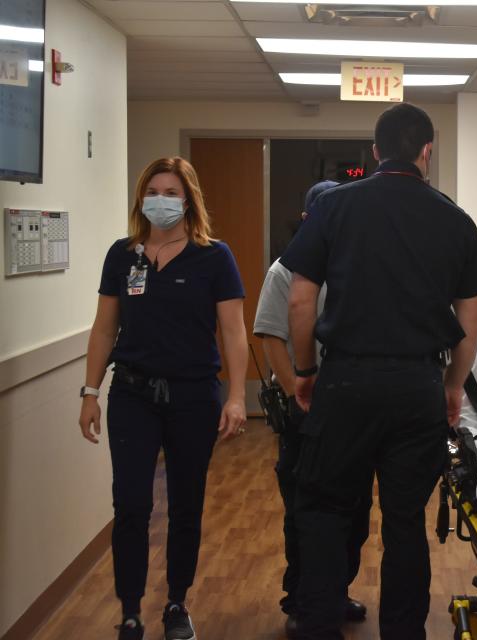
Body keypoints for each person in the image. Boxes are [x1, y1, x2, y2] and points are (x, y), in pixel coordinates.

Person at [280, 102, 477, 640]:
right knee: (404, 523)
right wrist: (450, 387)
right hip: (417, 387)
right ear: (427, 151)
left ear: (375, 152)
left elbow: (301, 301)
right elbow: (471, 320)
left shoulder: (333, 209)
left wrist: (304, 370)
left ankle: (319, 626)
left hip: (346, 382)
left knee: (325, 510)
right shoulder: (455, 219)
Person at [78, 157, 248, 640]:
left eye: (172, 192)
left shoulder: (214, 256)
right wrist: (90, 392)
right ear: (141, 198)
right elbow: (104, 327)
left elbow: (234, 333)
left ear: (189, 199)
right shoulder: (122, 255)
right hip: (132, 394)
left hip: (194, 397)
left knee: (185, 505)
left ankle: (177, 601)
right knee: (130, 504)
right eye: (154, 190)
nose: (162, 200)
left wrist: (237, 396)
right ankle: (130, 609)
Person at [253, 181, 368, 639]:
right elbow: (269, 336)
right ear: (308, 219)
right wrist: (298, 395)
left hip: (353, 411)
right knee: (305, 515)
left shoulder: (356, 269)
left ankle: (335, 593)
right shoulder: (286, 270)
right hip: (308, 413)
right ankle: (301, 599)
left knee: (354, 509)